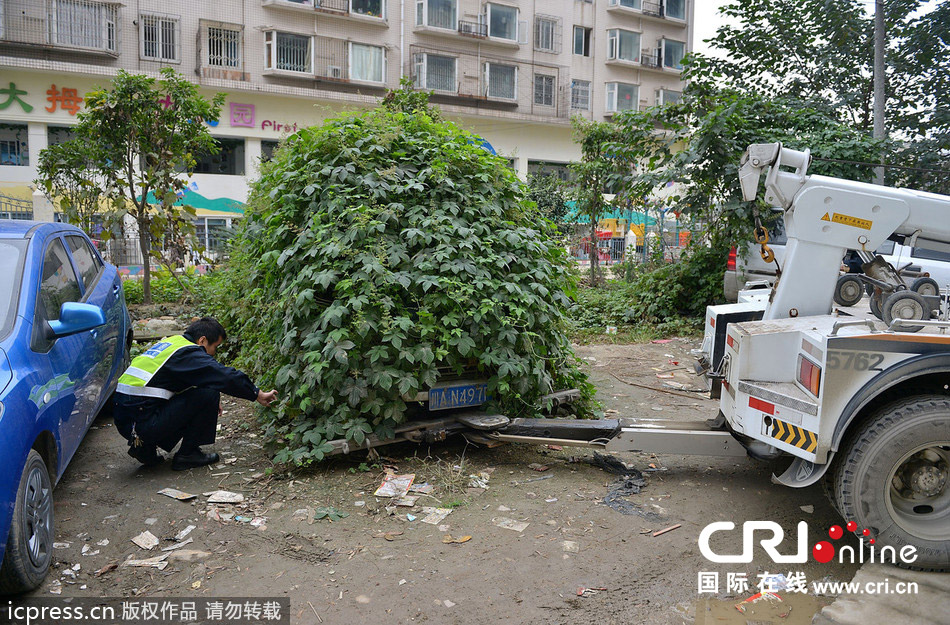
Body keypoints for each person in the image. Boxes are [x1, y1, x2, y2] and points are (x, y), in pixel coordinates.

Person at [114, 317, 278, 470]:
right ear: (203, 340)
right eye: (215, 347)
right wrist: (256, 393)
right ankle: (188, 454)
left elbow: (169, 382)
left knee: (204, 392)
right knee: (209, 393)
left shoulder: (172, 344)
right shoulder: (189, 352)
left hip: (128, 420)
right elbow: (224, 376)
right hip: (143, 422)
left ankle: (143, 447)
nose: (214, 353)